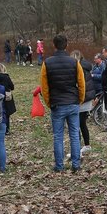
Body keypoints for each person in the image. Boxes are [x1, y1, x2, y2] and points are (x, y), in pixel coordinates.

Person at [40, 34, 86, 172]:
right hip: (72, 102)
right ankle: (76, 165)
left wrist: (49, 102)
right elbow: (82, 84)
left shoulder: (47, 63)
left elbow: (44, 87)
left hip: (57, 104)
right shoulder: (74, 63)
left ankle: (59, 166)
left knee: (58, 136)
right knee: (74, 134)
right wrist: (80, 100)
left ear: (54, 45)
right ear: (67, 45)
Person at [71, 50, 94, 154]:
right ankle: (86, 145)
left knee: (77, 124)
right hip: (86, 99)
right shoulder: (86, 67)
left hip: (82, 100)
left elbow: (80, 86)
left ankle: (79, 148)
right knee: (82, 123)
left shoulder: (80, 69)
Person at [0, 63, 16, 134]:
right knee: (7, 113)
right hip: (6, 96)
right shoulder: (6, 77)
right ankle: (6, 129)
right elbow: (12, 87)